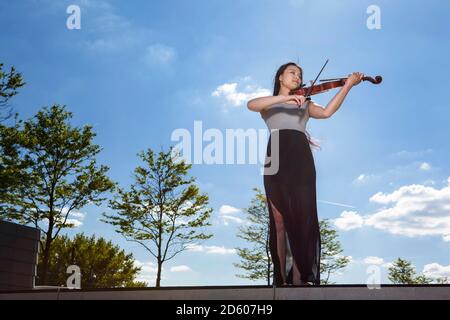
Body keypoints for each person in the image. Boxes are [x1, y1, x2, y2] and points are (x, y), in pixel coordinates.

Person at [247, 62, 363, 286]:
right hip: (276, 159)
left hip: (301, 160)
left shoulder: (305, 103)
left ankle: (301, 279)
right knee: (279, 221)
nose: (297, 77)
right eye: (292, 72)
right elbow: (251, 104)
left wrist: (347, 86)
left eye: (300, 75)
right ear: (280, 77)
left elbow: (327, 112)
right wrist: (285, 98)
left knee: (303, 217)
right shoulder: (269, 104)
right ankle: (280, 279)